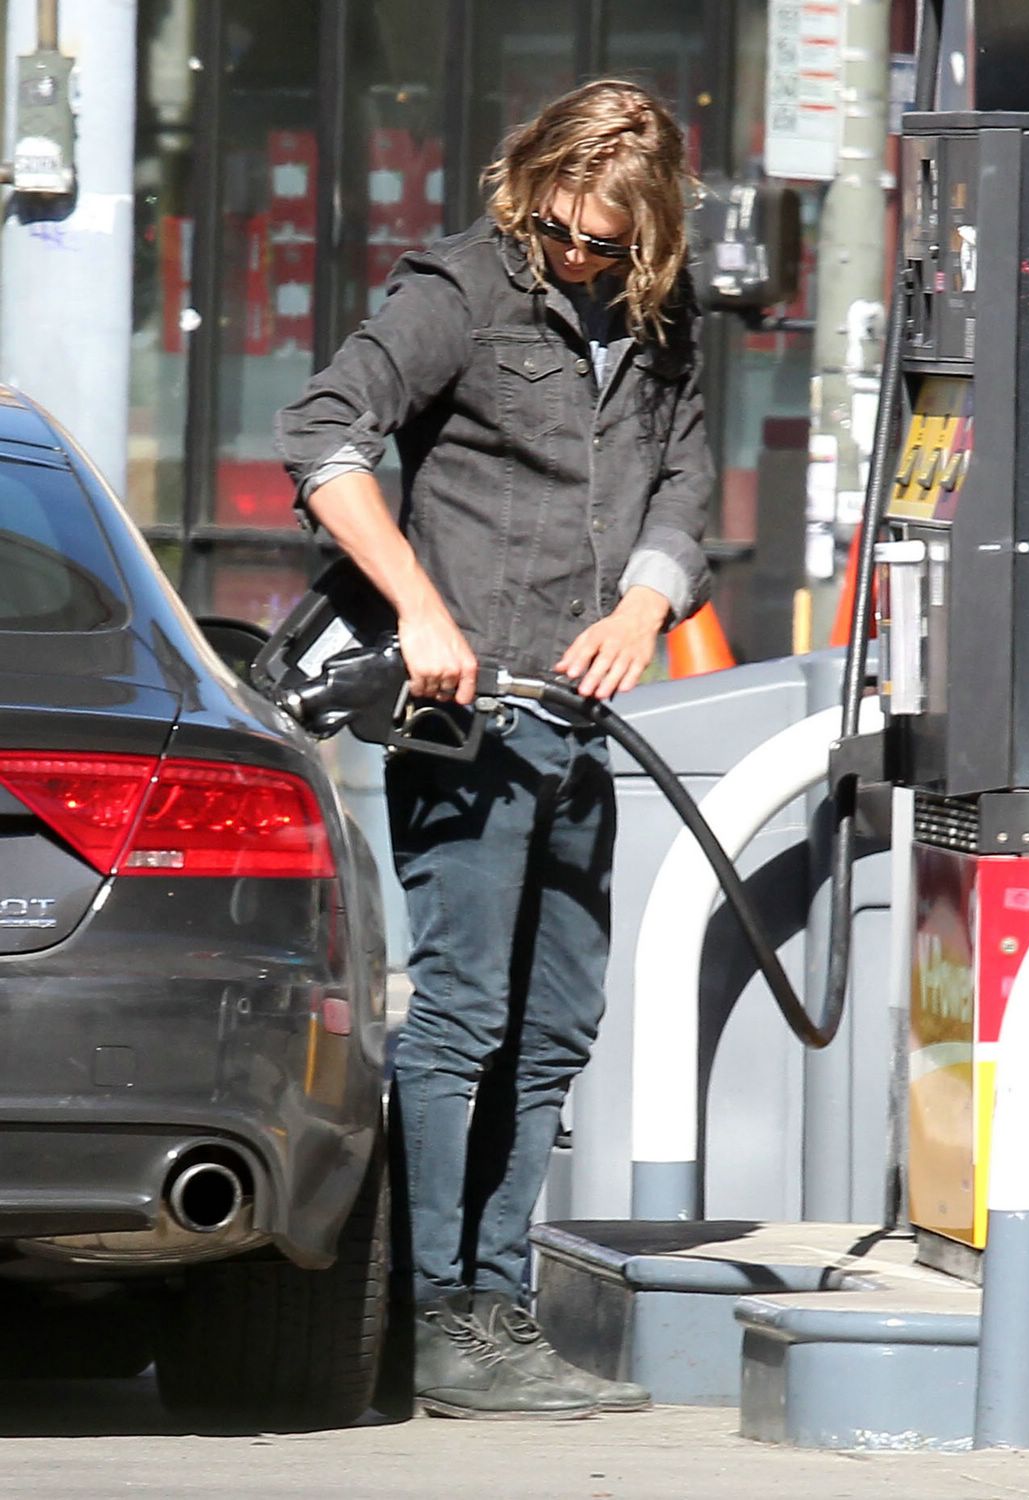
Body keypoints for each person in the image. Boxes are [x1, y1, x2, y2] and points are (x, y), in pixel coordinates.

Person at [276, 78, 713, 1420]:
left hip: (582, 721)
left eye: (607, 241)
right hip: (470, 714)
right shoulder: (460, 289)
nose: (579, 260)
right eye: (565, 232)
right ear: (530, 189)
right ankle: (434, 1315)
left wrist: (647, 600)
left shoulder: (660, 315)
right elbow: (323, 434)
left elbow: (686, 476)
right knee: (462, 1015)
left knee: (557, 1020)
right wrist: (419, 612)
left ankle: (498, 1299)